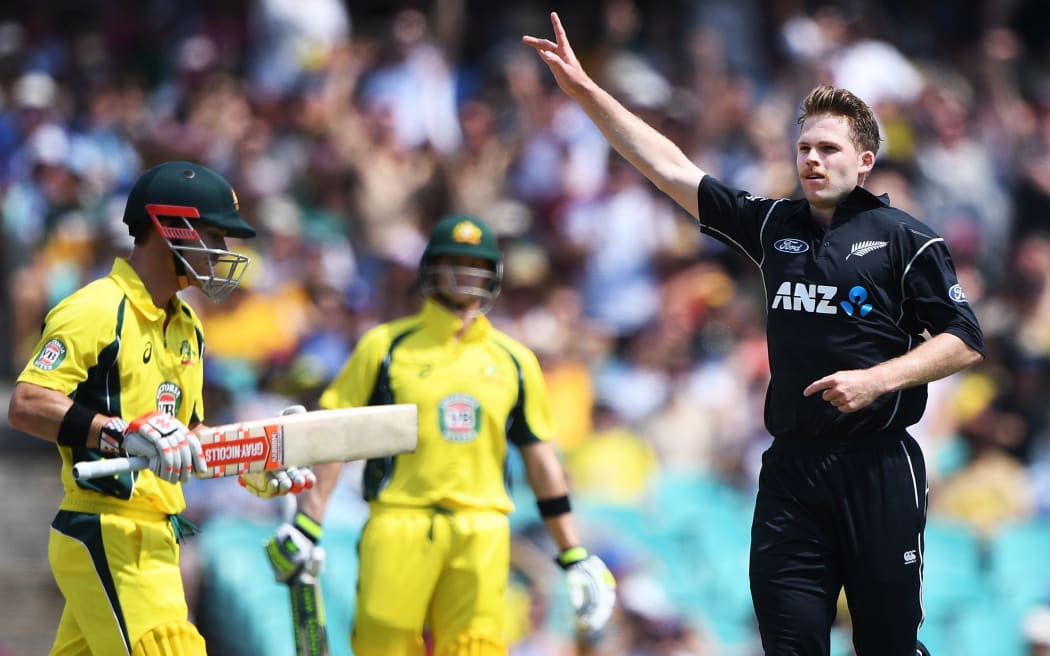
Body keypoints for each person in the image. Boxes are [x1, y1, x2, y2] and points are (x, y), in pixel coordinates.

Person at [524, 12, 984, 656]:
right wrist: (586, 94)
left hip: (878, 464)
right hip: (792, 467)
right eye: (804, 148)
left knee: (887, 646)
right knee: (789, 646)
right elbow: (671, 169)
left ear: (865, 159)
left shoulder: (906, 239)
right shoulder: (774, 227)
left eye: (829, 148)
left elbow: (965, 336)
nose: (813, 159)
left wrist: (878, 380)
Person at [264, 214, 617, 655]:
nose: (466, 275)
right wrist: (307, 523)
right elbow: (337, 437)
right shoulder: (386, 346)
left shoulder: (515, 360)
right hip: (399, 521)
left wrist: (573, 552)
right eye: (454, 262)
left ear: (495, 275)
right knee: (383, 646)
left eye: (477, 265)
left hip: (483, 527)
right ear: (430, 269)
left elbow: (541, 459)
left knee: (477, 647)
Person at [7, 160, 313, 655]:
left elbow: (187, 434)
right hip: (108, 527)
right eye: (213, 235)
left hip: (160, 533)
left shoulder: (188, 324)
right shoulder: (96, 308)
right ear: (171, 228)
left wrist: (251, 461)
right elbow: (26, 404)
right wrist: (120, 433)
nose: (223, 252)